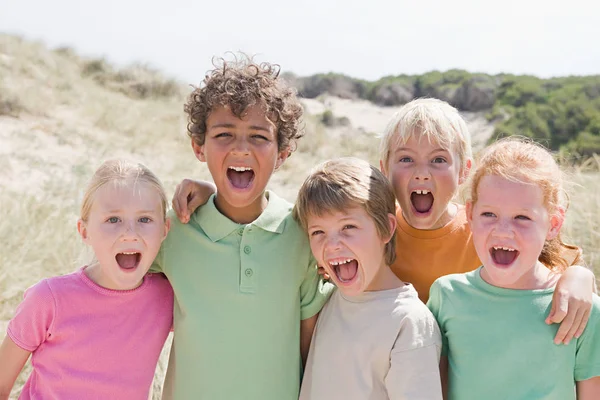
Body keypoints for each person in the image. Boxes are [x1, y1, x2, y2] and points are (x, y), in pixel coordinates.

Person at [173, 97, 596, 345]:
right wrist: (218, 193)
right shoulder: (368, 229)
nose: (421, 173)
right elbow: (305, 219)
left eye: (438, 160)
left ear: (465, 170)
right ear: (383, 167)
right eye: (406, 159)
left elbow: (551, 264)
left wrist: (579, 275)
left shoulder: (485, 232)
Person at [152, 56, 332, 399]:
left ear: (282, 153)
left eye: (259, 136)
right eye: (223, 134)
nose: (240, 147)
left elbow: (310, 346)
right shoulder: (173, 230)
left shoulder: (303, 234)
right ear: (198, 147)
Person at [427, 138, 600, 399]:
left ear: (553, 224)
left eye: (522, 217)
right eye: (489, 214)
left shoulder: (581, 309)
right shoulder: (446, 294)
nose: (503, 231)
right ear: (470, 215)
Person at [0, 159, 173, 400]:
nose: (130, 233)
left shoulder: (166, 297)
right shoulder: (48, 300)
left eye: (144, 219)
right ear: (84, 231)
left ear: (165, 229)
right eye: (113, 220)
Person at [294, 157, 442, 400]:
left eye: (348, 227)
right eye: (318, 232)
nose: (332, 245)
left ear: (386, 228)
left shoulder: (409, 322)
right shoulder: (327, 301)